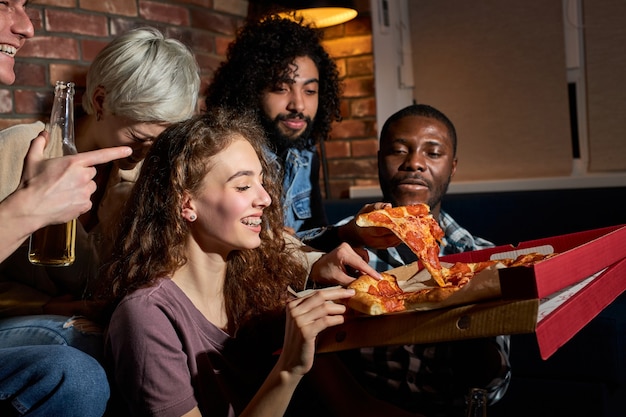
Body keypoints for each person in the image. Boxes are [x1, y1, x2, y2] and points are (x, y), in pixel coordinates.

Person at [98, 108, 413, 417]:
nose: (265, 198)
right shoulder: (147, 317)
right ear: (186, 201)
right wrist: (288, 368)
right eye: (243, 185)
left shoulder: (264, 285)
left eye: (261, 183)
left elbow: (356, 407)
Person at [0, 26, 201, 361]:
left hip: (89, 324)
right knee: (86, 348)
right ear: (100, 101)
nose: (149, 152)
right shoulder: (18, 150)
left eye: (161, 142)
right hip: (16, 321)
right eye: (139, 136)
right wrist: (42, 304)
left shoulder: (145, 177)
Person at [335, 104, 512, 417]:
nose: (414, 163)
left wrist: (473, 313)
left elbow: (492, 387)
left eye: (432, 153)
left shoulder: (483, 258)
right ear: (379, 161)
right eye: (398, 150)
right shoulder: (340, 247)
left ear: (452, 166)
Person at [0, 1, 131, 415]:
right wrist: (28, 208)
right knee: (77, 364)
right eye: (4, 3)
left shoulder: (134, 178)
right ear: (99, 102)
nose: (26, 27)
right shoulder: (22, 147)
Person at [204, 15, 341, 240]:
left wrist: (352, 231)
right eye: (281, 88)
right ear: (251, 90)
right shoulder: (223, 155)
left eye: (310, 91)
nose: (298, 105)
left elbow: (316, 231)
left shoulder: (306, 154)